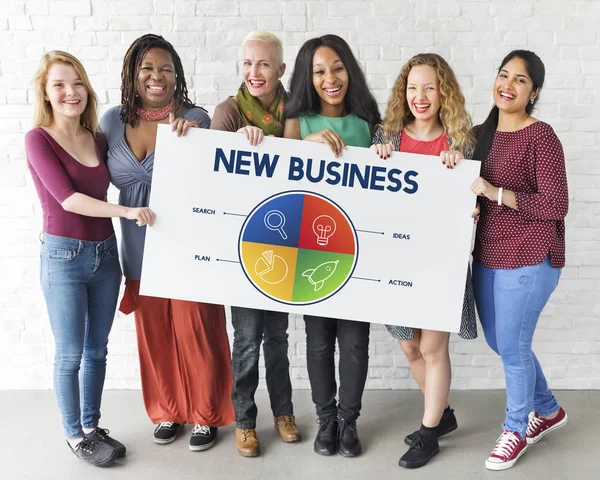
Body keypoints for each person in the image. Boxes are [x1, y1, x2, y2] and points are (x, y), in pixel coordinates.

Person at [100, 34, 234, 452]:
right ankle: (168, 409)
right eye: (147, 69)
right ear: (132, 75)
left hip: (187, 246)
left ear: (177, 76)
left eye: (166, 69)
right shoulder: (109, 121)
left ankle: (206, 415)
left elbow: (215, 180)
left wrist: (195, 141)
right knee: (154, 333)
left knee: (198, 330)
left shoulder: (196, 117)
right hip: (138, 245)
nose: (156, 76)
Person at [26, 51, 154, 467]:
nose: (70, 92)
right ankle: (73, 435)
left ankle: (91, 426)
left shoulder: (97, 136)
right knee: (70, 353)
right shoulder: (38, 139)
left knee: (97, 349)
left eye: (77, 82)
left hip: (105, 255)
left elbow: (136, 165)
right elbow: (70, 199)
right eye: (59, 84)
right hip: (63, 257)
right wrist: (128, 212)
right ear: (46, 93)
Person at [371, 53, 478, 469]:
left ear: (443, 92)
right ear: (404, 93)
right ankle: (444, 415)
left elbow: (475, 198)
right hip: (399, 260)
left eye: (429, 88)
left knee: (433, 347)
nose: (420, 96)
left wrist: (466, 191)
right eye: (412, 88)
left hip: (441, 261)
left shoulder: (460, 141)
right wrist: (374, 163)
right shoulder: (387, 138)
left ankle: (429, 433)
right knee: (411, 346)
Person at [470, 50, 568, 471]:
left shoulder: (540, 136)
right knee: (501, 342)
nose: (507, 85)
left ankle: (516, 429)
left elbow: (556, 203)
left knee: (512, 345)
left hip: (531, 254)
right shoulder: (479, 132)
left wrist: (495, 193)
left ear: (534, 92)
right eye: (503, 75)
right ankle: (547, 409)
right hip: (487, 253)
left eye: (520, 80)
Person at [284, 34, 381, 458]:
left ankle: (349, 420)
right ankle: (326, 419)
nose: (330, 78)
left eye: (337, 68)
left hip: (357, 247)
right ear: (308, 77)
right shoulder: (297, 121)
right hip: (310, 248)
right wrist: (306, 144)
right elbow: (276, 169)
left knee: (356, 342)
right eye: (319, 71)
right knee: (319, 341)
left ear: (350, 70)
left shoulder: (367, 120)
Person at [211, 31, 301, 458]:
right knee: (246, 339)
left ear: (280, 70)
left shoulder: (295, 111)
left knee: (279, 338)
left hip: (285, 242)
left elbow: (303, 167)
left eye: (264, 64)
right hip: (244, 245)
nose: (254, 72)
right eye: (247, 64)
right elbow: (214, 177)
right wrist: (235, 147)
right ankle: (244, 421)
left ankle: (284, 412)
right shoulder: (229, 113)